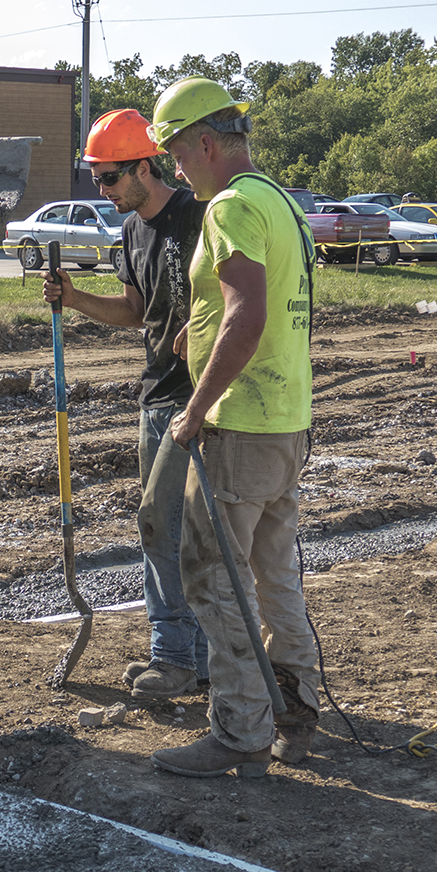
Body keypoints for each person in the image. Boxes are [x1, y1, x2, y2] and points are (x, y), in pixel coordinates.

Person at [147, 77, 321, 778]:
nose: (175, 170)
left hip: (240, 425)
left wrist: (195, 409)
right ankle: (296, 708)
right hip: (287, 421)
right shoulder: (281, 203)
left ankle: (241, 731)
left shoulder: (229, 208)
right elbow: (272, 309)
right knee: (276, 574)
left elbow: (247, 314)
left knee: (215, 580)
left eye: (178, 155)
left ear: (207, 143)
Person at [42, 108, 210, 700]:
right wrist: (75, 297)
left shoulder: (197, 218)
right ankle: (196, 658)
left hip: (203, 400)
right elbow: (136, 311)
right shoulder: (132, 231)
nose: (103, 190)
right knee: (170, 528)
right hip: (157, 395)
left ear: (145, 166)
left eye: (111, 178)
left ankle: (177, 658)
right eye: (96, 179)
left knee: (168, 528)